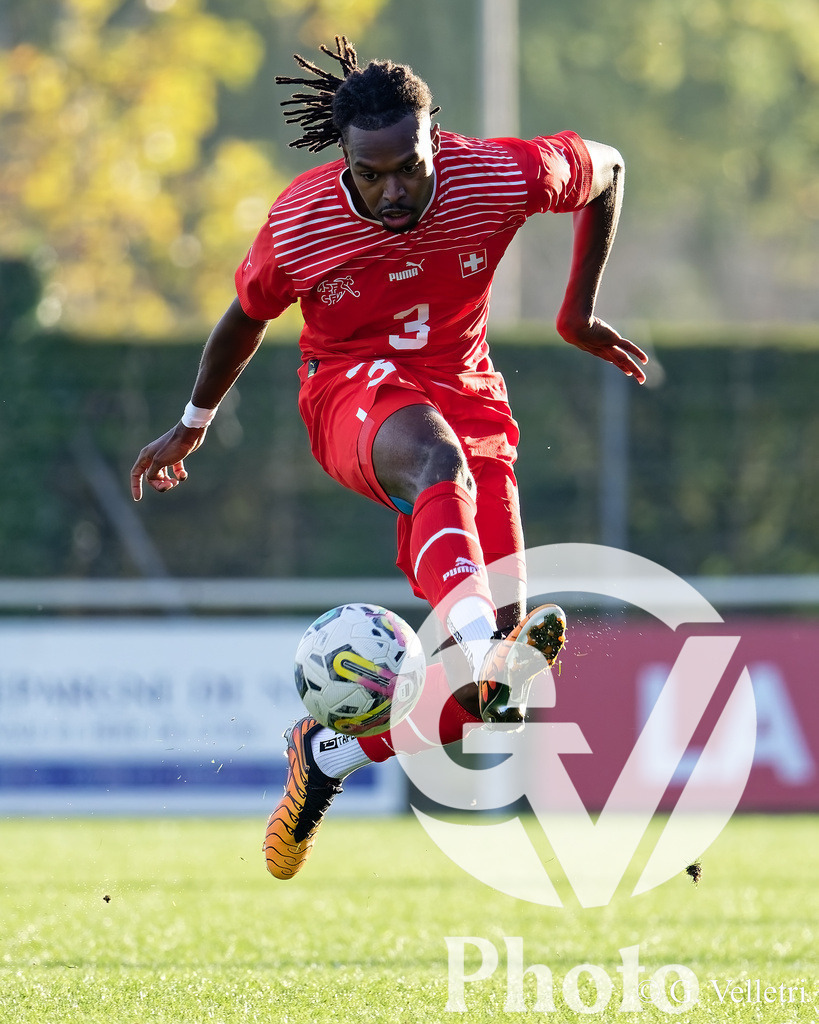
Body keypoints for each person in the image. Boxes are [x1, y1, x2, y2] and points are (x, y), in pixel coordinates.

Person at [130, 36, 648, 880]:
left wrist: (576, 314)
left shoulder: (499, 175)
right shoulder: (302, 220)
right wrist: (194, 419)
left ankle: (330, 753)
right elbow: (246, 316)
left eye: (406, 166)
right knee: (436, 469)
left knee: (486, 699)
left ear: (432, 139)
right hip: (348, 394)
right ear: (345, 160)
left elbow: (610, 167)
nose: (391, 189)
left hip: (467, 392)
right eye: (370, 174)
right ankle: (484, 642)